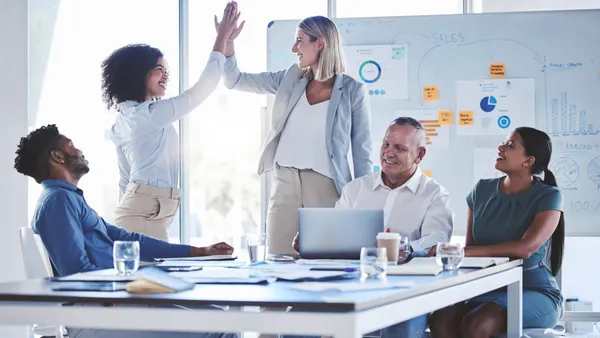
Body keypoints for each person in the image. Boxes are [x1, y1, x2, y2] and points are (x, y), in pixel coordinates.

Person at [14, 124, 238, 338]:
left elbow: (126, 239)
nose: (79, 150)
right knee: (221, 328)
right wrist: (133, 288)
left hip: (115, 303)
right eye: (71, 145)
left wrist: (197, 251)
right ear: (58, 156)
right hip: (101, 315)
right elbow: (76, 271)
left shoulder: (69, 198)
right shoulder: (58, 201)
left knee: (220, 317)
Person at [216, 14, 373, 255]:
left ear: (319, 43)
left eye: (299, 41)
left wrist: (362, 207)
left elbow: (362, 153)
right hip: (285, 184)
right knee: (279, 260)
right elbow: (234, 80)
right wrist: (228, 41)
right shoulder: (290, 79)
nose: (294, 48)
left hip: (327, 187)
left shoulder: (353, 90)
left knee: (326, 263)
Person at [289, 117, 454, 338]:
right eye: (386, 145)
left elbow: (437, 239)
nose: (388, 153)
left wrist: (403, 247)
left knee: (399, 329)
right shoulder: (356, 189)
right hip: (348, 286)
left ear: (420, 154)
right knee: (297, 323)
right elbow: (334, 233)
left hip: (405, 292)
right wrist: (313, 242)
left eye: (399, 148)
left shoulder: (434, 194)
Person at [101, 2, 241, 241]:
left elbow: (125, 179)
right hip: (144, 215)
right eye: (158, 69)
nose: (165, 75)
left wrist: (226, 40)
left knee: (149, 277)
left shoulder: (128, 117)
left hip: (144, 213)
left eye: (166, 69)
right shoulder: (148, 115)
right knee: (153, 278)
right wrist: (221, 38)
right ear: (138, 73)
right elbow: (200, 91)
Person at [428, 127, 565, 338]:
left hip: (532, 290)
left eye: (510, 145)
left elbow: (525, 248)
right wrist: (460, 255)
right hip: (488, 287)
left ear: (528, 161)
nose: (500, 147)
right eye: (504, 142)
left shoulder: (549, 196)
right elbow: (471, 250)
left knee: (478, 323)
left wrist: (459, 252)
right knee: (441, 318)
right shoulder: (481, 190)